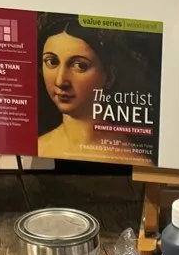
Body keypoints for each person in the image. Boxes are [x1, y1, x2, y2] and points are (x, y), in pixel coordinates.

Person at [36, 14, 148, 163]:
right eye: (52, 62)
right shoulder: (38, 147)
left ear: (109, 77)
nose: (60, 81)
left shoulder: (134, 160)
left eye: (80, 66)